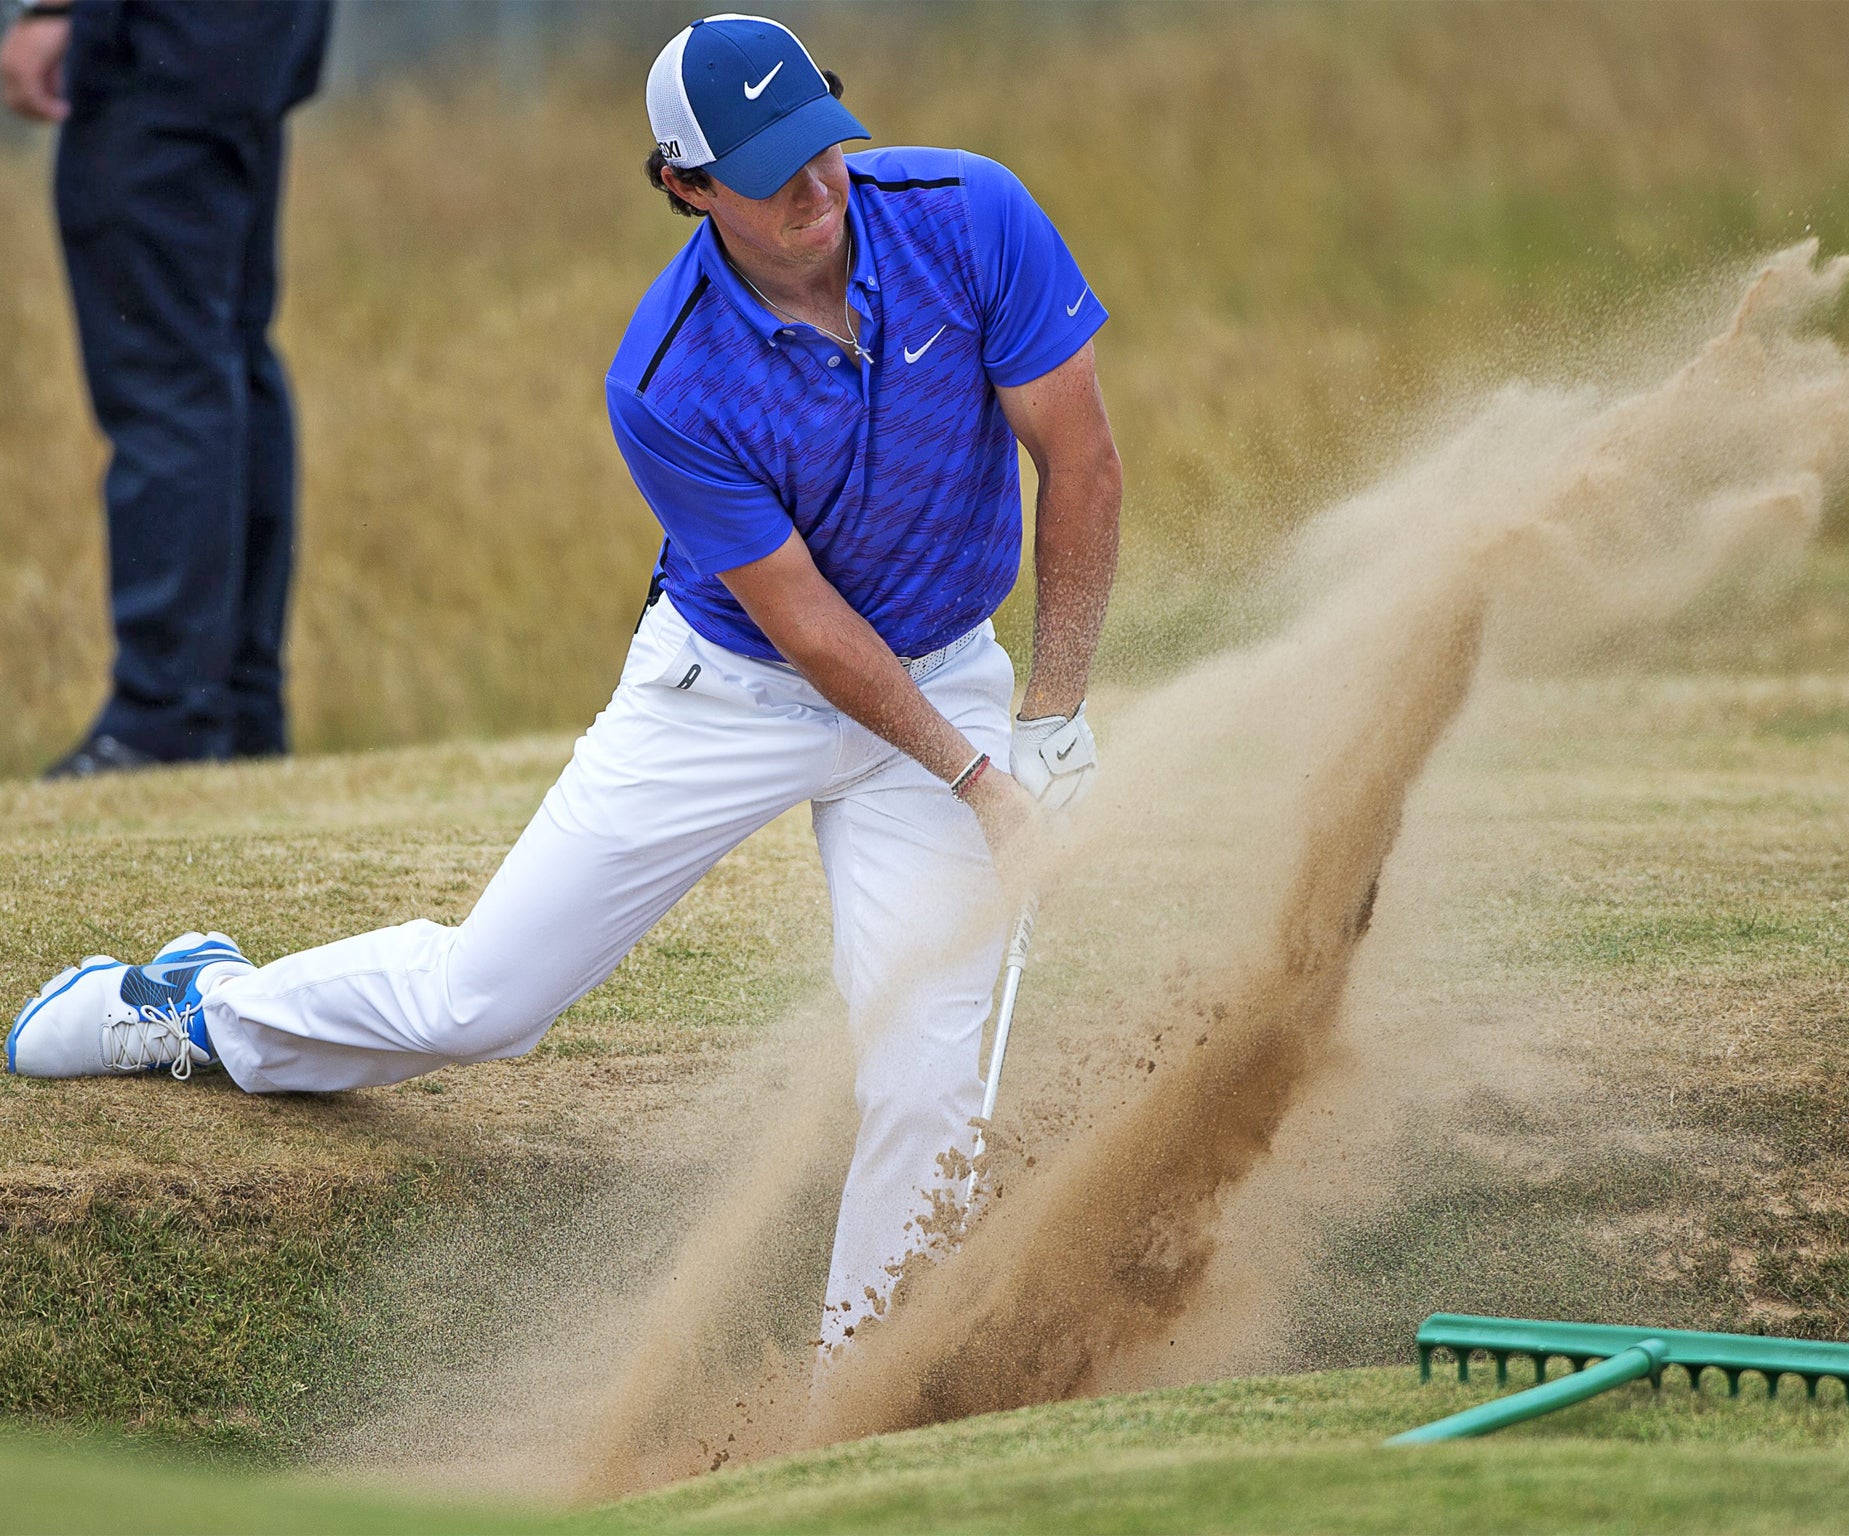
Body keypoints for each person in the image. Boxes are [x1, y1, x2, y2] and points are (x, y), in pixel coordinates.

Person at [7, 14, 1122, 1344]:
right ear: (686, 189)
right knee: (485, 1003)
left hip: (949, 667)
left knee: (928, 1077)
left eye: (824, 145)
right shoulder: (668, 378)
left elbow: (1083, 460)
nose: (817, 188)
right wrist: (981, 778)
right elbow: (813, 631)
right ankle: (193, 1006)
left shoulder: (969, 214)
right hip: (737, 688)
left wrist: (1049, 713)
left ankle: (858, 1430)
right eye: (771, 172)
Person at [2, 0, 331, 776]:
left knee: (169, 377)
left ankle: (164, 718)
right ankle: (241, 711)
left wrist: (54, 7)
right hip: (255, 37)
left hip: (158, 38)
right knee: (228, 359)